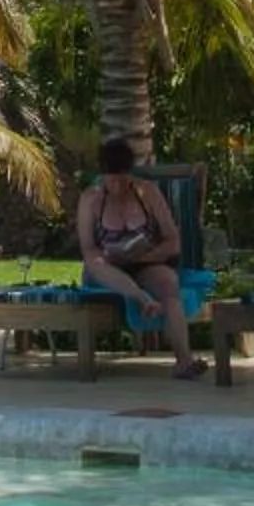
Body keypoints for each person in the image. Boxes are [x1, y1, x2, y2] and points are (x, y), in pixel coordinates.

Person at [77, 137, 205, 381]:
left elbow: (173, 241)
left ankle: (184, 361)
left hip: (145, 262)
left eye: (122, 180)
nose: (117, 186)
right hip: (108, 268)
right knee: (95, 263)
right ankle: (142, 298)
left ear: (130, 173)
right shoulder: (91, 199)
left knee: (168, 282)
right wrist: (112, 256)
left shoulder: (147, 193)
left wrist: (145, 255)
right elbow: (88, 248)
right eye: (111, 180)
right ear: (102, 176)